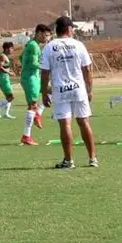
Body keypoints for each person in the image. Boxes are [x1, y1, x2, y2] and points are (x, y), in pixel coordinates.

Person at [40, 15, 98, 169]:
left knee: (65, 123)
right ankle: (92, 159)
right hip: (79, 89)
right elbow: (87, 69)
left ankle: (68, 160)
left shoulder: (49, 47)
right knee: (84, 121)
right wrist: (89, 90)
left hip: (60, 89)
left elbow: (44, 72)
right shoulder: (78, 45)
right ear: (69, 29)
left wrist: (44, 92)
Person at [20, 24, 51, 145]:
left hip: (32, 76)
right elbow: (33, 63)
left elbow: (20, 57)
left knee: (51, 91)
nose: (47, 38)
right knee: (32, 105)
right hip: (30, 78)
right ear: (39, 33)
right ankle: (26, 136)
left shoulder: (32, 44)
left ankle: (38, 114)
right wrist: (46, 67)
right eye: (46, 35)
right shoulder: (33, 46)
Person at [0, 42, 16, 119]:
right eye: (11, 48)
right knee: (11, 96)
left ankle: (6, 114)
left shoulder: (5, 56)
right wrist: (9, 72)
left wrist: (9, 72)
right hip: (3, 78)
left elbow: (4, 66)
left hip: (5, 77)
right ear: (7, 49)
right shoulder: (2, 56)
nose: (12, 50)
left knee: (8, 97)